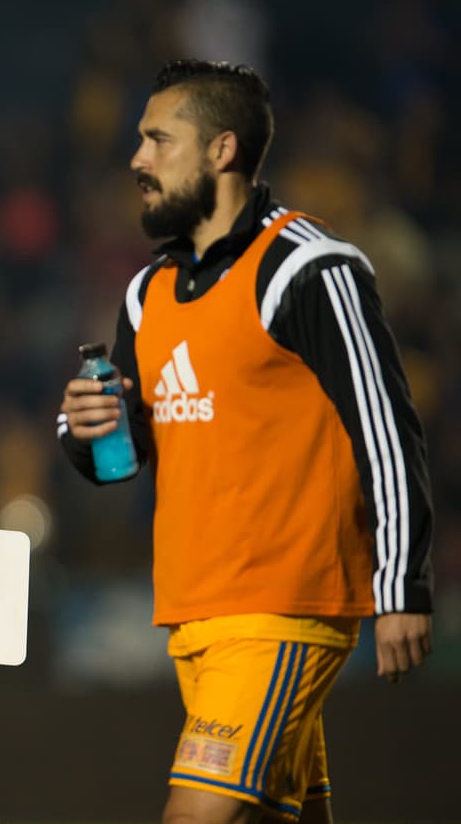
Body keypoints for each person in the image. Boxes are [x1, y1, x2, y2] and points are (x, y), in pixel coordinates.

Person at [58, 59, 433, 824]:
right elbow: (124, 452)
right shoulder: (146, 291)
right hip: (194, 612)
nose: (137, 160)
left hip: (283, 606)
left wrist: (402, 587)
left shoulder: (309, 268)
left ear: (221, 150)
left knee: (195, 816)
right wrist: (82, 429)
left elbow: (388, 430)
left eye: (157, 140)